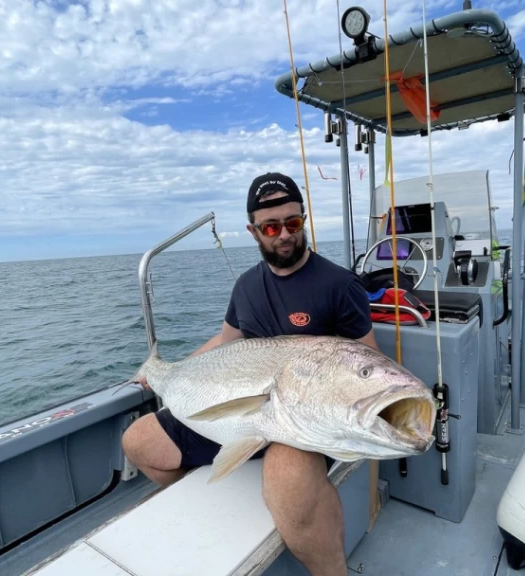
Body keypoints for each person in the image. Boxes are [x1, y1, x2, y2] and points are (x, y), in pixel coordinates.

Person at [121, 172, 379, 576]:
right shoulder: (245, 286)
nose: (284, 235)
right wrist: (164, 372)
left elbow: (367, 358)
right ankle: (222, 511)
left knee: (289, 479)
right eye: (271, 227)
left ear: (304, 219)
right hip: (247, 411)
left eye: (293, 223)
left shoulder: (338, 284)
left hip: (303, 421)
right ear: (253, 231)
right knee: (138, 442)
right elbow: (225, 341)